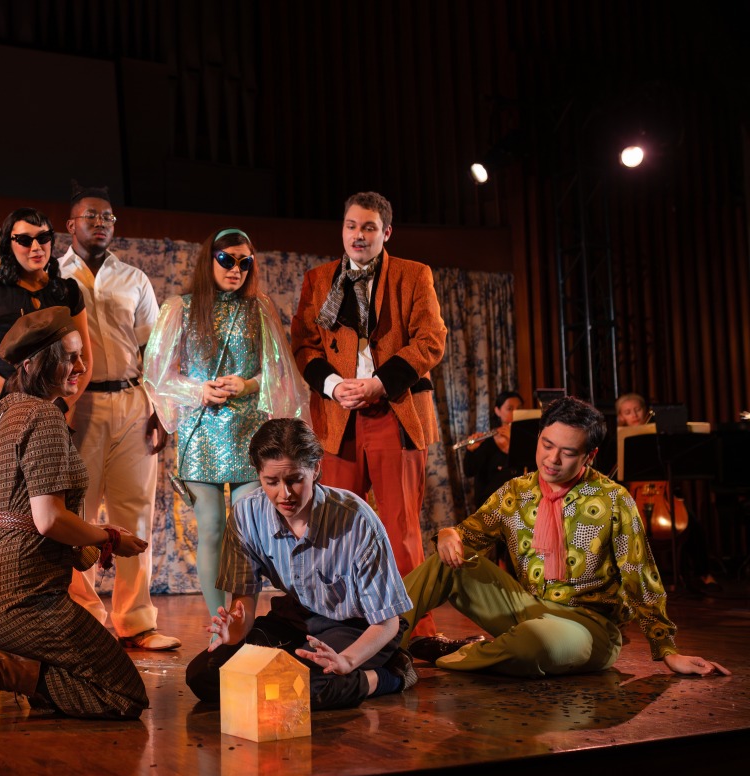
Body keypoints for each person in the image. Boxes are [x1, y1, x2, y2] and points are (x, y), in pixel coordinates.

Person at [400, 396, 730, 679]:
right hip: (525, 606)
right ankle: (382, 646)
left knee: (533, 644)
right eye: (547, 445)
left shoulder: (613, 499)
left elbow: (640, 576)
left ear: (590, 455)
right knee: (443, 563)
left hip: (587, 627)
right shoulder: (516, 491)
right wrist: (449, 534)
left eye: (568, 452)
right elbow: (467, 536)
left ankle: (461, 654)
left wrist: (668, 650)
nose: (552, 459)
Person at [0, 307, 150, 727]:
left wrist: (93, 537)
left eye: (80, 355)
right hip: (18, 594)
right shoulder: (43, 416)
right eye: (69, 357)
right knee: (123, 695)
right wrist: (108, 538)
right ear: (35, 364)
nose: (82, 366)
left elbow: (31, 515)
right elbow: (49, 520)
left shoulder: (11, 414)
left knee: (85, 677)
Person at [290, 190, 455, 643]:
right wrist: (332, 384)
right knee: (334, 528)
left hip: (394, 412)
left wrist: (381, 382)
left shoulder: (413, 275)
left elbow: (431, 339)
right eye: (351, 226)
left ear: (386, 232)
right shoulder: (318, 279)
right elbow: (304, 344)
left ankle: (414, 632)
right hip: (338, 417)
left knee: (400, 528)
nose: (358, 235)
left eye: (368, 227)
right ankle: (342, 626)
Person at [185, 419, 417, 711]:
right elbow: (244, 604)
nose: (285, 494)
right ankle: (334, 676)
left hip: (359, 627)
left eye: (295, 479)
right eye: (271, 482)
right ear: (259, 475)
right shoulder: (247, 513)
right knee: (204, 676)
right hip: (297, 620)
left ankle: (388, 675)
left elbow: (387, 622)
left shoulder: (356, 519)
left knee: (298, 688)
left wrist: (347, 661)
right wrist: (235, 631)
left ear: (315, 469)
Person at [143, 228, 308, 618]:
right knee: (213, 527)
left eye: (244, 262)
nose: (236, 269)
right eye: (227, 260)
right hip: (201, 432)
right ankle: (219, 623)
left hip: (250, 433)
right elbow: (156, 374)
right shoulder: (180, 308)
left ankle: (243, 618)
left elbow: (280, 373)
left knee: (248, 530)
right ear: (209, 260)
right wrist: (198, 390)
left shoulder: (259, 308)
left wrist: (247, 384)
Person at [56, 184, 178, 651]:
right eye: (91, 216)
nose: (101, 223)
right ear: (71, 225)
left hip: (131, 401)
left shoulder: (134, 279)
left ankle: (137, 621)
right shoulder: (55, 275)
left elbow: (155, 350)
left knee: (135, 511)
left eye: (107, 217)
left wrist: (160, 409)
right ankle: (83, 619)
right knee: (78, 513)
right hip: (79, 403)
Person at [0, 208, 90, 484]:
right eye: (25, 240)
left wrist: (59, 405)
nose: (36, 247)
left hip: (51, 411)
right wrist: (11, 395)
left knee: (48, 491)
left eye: (43, 238)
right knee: (4, 495)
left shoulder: (68, 291)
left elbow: (84, 359)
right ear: (8, 244)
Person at [462, 390, 524, 510]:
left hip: (519, 505)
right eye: (510, 408)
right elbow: (469, 471)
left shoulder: (527, 440)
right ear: (497, 411)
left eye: (519, 408)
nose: (516, 413)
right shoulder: (487, 441)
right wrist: (471, 451)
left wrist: (514, 441)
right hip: (490, 506)